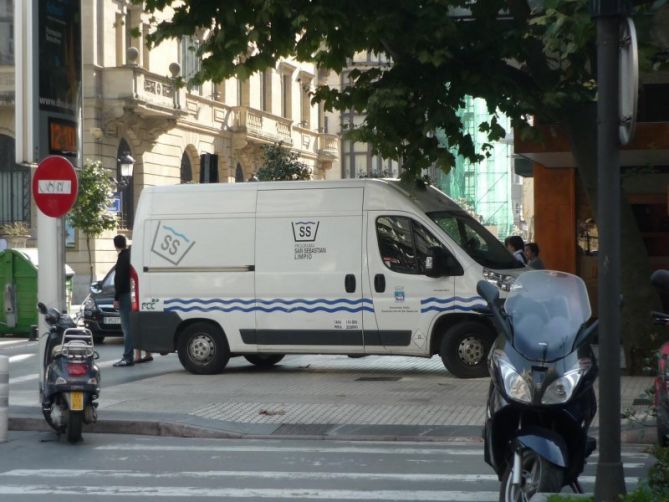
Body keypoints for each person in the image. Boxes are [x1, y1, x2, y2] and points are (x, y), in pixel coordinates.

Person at [112, 235, 152, 367]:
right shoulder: (130, 256)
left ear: (115, 245)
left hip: (125, 295)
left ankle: (127, 357)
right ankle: (146, 353)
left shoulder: (122, 258)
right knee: (135, 325)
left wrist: (116, 297)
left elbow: (120, 279)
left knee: (127, 328)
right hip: (134, 294)